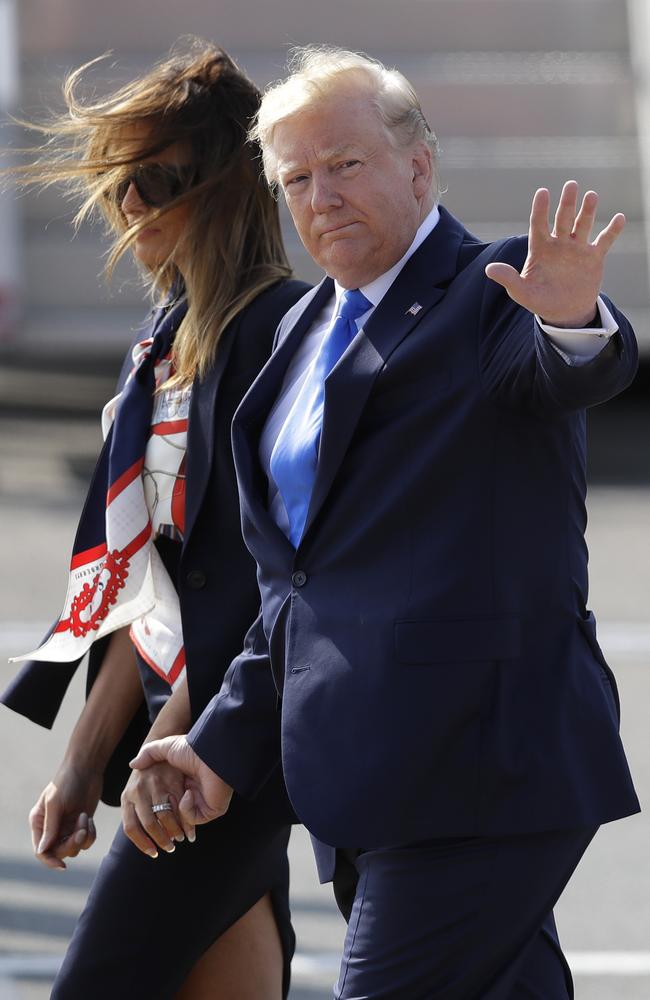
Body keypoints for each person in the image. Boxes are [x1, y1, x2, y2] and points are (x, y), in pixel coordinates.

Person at [131, 46, 641, 998]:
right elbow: (298, 593)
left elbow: (566, 360)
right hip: (363, 783)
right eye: (297, 177)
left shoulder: (490, 290)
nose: (320, 195)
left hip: (481, 772)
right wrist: (218, 744)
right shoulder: (297, 334)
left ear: (419, 166)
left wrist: (574, 320)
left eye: (346, 164)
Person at [1, 40, 310, 1000]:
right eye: (117, 183)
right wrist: (82, 759)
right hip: (185, 751)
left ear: (221, 187)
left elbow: (270, 585)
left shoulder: (283, 335)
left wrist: (173, 745)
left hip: (225, 744)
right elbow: (147, 579)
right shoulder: (161, 343)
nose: (123, 207)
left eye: (148, 181)